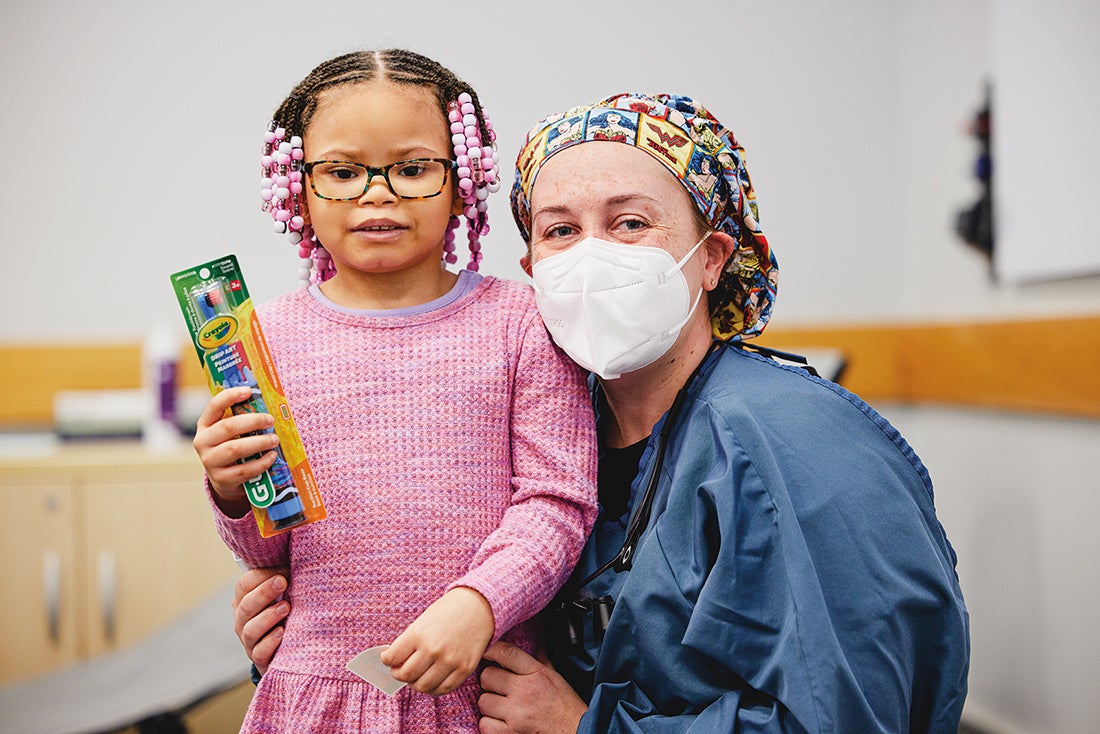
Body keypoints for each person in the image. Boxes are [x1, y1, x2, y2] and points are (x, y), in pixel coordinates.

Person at [234, 92, 971, 733]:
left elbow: (861, 714)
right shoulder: (566, 427)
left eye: (629, 224)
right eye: (559, 230)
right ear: (532, 271)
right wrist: (313, 622)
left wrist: (582, 725)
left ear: (713, 257)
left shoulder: (795, 442)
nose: (591, 256)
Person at [193, 49, 597, 733]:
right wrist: (232, 489)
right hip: (315, 694)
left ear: (462, 179)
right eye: (343, 172)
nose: (376, 193)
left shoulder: (523, 323)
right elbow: (270, 554)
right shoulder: (259, 338)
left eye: (412, 169)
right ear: (297, 186)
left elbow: (558, 504)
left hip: (482, 690)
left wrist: (479, 603)